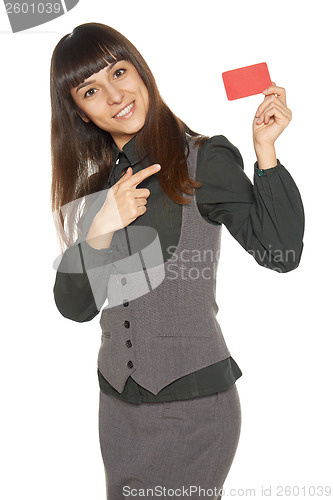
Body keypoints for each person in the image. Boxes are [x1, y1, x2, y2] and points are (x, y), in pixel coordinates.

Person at [50, 22, 305, 499]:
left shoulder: (202, 161)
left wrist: (265, 153)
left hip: (193, 408)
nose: (114, 95)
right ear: (81, 112)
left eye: (120, 72)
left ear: (141, 73)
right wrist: (102, 227)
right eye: (91, 90)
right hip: (117, 408)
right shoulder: (96, 195)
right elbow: (76, 306)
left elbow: (280, 251)